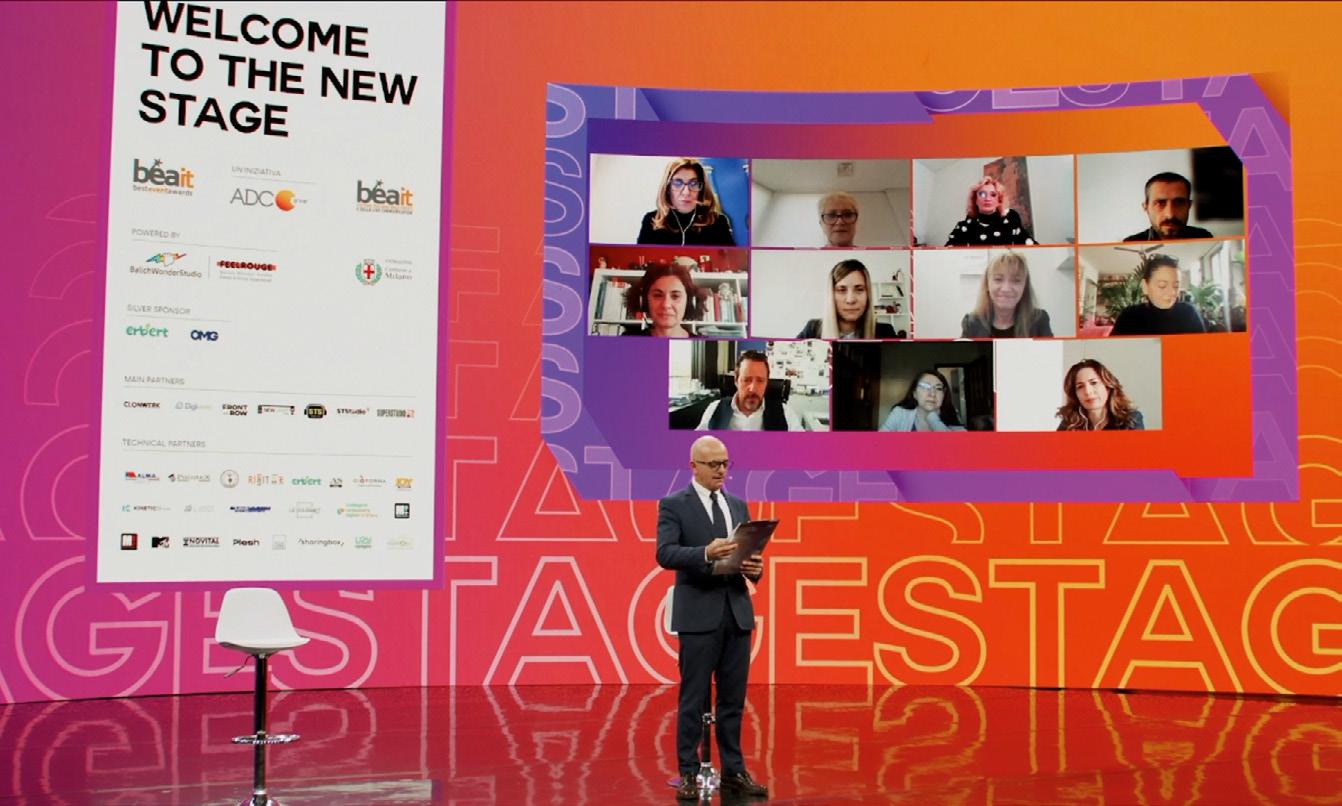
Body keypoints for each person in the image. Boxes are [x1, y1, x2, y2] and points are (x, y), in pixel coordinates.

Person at [656, 436, 768, 801]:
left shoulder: (737, 505)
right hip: (698, 614)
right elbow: (665, 553)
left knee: (733, 700)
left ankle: (734, 771)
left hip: (736, 613)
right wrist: (705, 552)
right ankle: (688, 771)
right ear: (694, 466)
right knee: (693, 698)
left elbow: (748, 555)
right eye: (714, 464)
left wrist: (755, 569)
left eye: (725, 463)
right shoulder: (674, 504)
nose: (721, 470)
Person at [696, 350, 807, 431]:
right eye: (746, 380)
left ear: (767, 382)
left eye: (760, 380)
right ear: (736, 381)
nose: (753, 388)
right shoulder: (715, 409)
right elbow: (697, 445)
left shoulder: (786, 414)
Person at [637, 158, 736, 246]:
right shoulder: (651, 220)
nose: (686, 192)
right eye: (677, 183)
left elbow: (731, 258)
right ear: (667, 188)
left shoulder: (718, 221)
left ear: (701, 189)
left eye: (693, 183)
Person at [960, 251, 1053, 337]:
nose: (1006, 289)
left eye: (1016, 281)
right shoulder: (971, 323)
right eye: (998, 279)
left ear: (1025, 287)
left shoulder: (1039, 321)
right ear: (987, 284)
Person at [798, 259, 898, 339]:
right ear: (831, 295)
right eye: (841, 290)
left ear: (868, 295)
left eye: (859, 289)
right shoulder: (812, 330)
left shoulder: (885, 332)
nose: (850, 300)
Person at [1109, 253, 1206, 335]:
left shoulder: (1189, 313)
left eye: (1176, 286)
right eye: (1162, 285)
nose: (1172, 292)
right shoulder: (1129, 316)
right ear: (1145, 287)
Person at [944, 176, 1037, 246]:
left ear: (999, 200)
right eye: (982, 194)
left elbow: (1031, 247)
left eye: (993, 195)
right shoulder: (963, 227)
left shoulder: (1011, 221)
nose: (987, 198)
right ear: (975, 199)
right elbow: (947, 254)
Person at [1056, 358, 1146, 430]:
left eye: (1094, 383)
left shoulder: (1131, 419)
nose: (1088, 391)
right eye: (1080, 387)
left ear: (1108, 387)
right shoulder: (1069, 423)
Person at [1123, 172, 1215, 242]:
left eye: (1179, 203)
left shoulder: (1204, 238)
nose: (1170, 215)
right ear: (1146, 207)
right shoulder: (1131, 244)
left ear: (1189, 206)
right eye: (1160, 203)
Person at [622, 258, 703, 337]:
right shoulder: (626, 340)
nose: (666, 305)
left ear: (690, 301)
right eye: (658, 295)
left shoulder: (705, 344)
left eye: (675, 296)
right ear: (643, 301)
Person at [878, 369, 967, 431]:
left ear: (944, 395)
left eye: (938, 388)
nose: (932, 394)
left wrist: (933, 419)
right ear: (914, 394)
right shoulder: (900, 414)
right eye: (925, 387)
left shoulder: (952, 415)